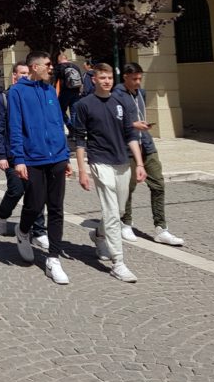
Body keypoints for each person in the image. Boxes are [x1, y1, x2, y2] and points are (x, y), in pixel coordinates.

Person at [71, 63, 147, 282]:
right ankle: (118, 263)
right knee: (112, 213)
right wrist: (82, 171)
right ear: (94, 79)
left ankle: (98, 234)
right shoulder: (84, 104)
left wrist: (139, 164)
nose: (107, 81)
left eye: (110, 78)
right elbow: (79, 140)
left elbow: (131, 135)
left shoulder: (120, 101)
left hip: (122, 161)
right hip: (99, 161)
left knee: (119, 210)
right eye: (102, 78)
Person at [8, 51, 72, 284]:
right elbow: (15, 127)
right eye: (47, 64)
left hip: (56, 157)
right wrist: (19, 159)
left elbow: (57, 122)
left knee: (56, 208)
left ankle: (53, 259)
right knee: (35, 204)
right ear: (34, 67)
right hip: (32, 158)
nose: (51, 67)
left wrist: (65, 155)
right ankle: (23, 231)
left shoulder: (50, 90)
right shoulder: (17, 92)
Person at [114, 63, 185, 247]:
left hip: (146, 143)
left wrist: (143, 126)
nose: (138, 82)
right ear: (125, 77)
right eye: (134, 79)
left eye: (140, 78)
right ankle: (125, 222)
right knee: (127, 187)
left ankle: (161, 228)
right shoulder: (116, 95)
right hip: (127, 147)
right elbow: (114, 122)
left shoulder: (141, 94)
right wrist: (132, 125)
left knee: (158, 184)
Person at [0, 62, 47, 245]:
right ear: (14, 76)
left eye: (27, 73)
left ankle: (38, 231)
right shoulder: (4, 98)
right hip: (12, 154)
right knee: (16, 190)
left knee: (36, 191)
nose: (25, 76)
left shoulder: (35, 95)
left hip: (33, 154)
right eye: (21, 73)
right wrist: (1, 156)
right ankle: (2, 214)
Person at [54, 53, 85, 123]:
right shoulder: (75, 66)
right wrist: (80, 92)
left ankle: (69, 126)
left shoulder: (59, 67)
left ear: (59, 60)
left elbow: (54, 81)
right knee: (74, 113)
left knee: (60, 111)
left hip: (65, 92)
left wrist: (53, 92)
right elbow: (81, 81)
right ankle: (74, 132)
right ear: (66, 58)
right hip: (76, 92)